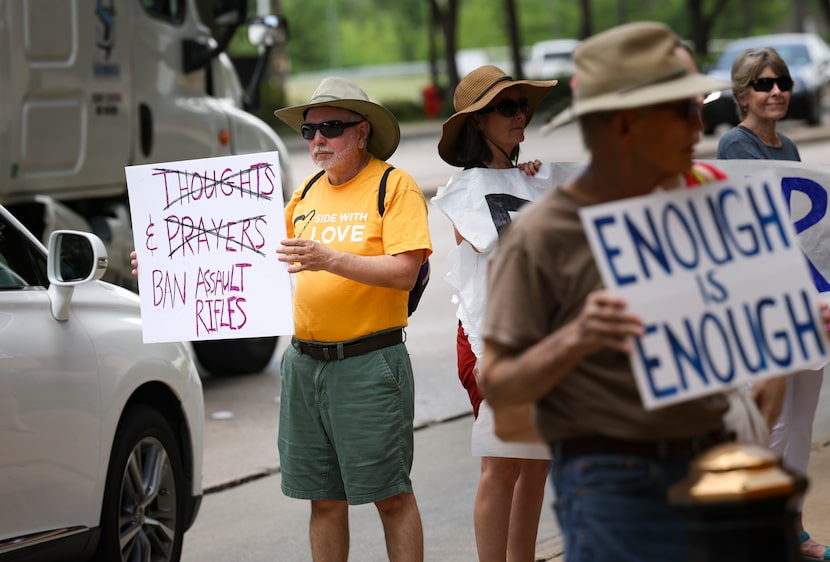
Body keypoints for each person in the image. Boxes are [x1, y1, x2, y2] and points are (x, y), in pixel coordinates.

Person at [478, 22, 806, 562]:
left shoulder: (714, 202)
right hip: (616, 489)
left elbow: (759, 376)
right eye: (678, 109)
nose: (697, 123)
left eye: (694, 104)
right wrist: (577, 338)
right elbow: (503, 389)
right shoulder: (546, 236)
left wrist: (787, 329)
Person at [273, 77, 432, 562]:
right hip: (305, 365)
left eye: (331, 128)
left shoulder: (393, 185)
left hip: (369, 364)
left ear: (361, 132)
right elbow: (250, 257)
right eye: (309, 131)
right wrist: (163, 267)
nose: (317, 140)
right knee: (323, 501)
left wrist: (330, 258)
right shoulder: (304, 194)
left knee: (391, 498)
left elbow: (406, 271)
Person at [432, 65, 556, 561]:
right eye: (507, 107)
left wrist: (532, 184)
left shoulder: (535, 180)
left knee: (538, 460)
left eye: (521, 104)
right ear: (478, 122)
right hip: (491, 338)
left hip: (541, 338)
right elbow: (487, 271)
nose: (520, 114)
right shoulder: (465, 192)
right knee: (503, 463)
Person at [717, 47, 829, 562]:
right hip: (764, 310)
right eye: (763, 84)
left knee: (801, 425)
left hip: (806, 306)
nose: (776, 91)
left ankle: (794, 530)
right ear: (743, 94)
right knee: (771, 425)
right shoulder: (735, 146)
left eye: (781, 81)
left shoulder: (789, 150)